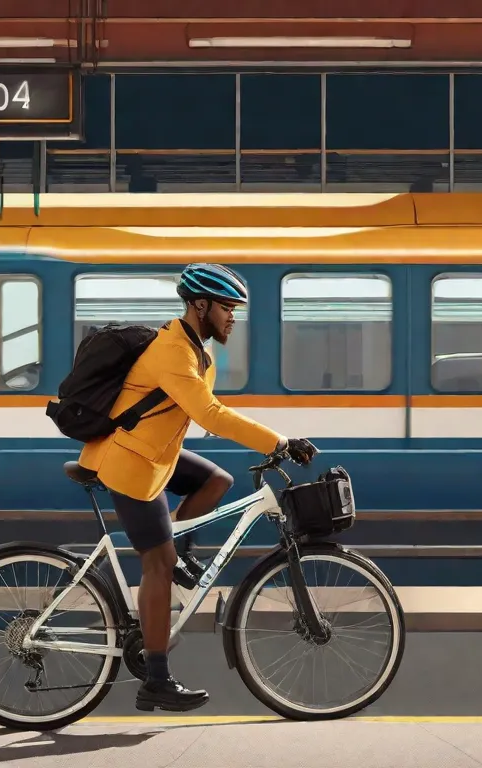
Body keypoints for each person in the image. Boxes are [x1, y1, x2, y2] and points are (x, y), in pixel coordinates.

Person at [78, 263, 318, 713]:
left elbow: (193, 413)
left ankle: (180, 556)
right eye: (227, 308)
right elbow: (210, 414)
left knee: (216, 480)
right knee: (157, 563)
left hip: (152, 455)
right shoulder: (175, 351)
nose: (233, 317)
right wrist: (280, 441)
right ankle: (156, 679)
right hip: (129, 465)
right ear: (200, 305)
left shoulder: (196, 350)